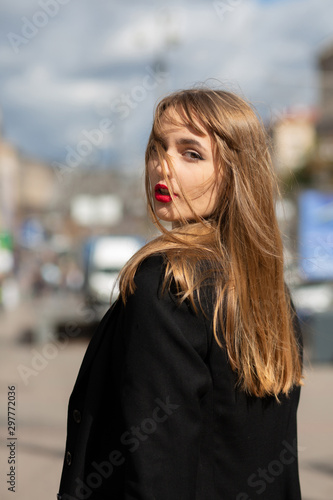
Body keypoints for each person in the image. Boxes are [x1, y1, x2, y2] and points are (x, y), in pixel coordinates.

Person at [57, 88, 303, 500]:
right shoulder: (270, 291)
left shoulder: (167, 284)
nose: (162, 166)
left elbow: (156, 471)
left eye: (190, 153)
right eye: (158, 147)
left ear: (236, 175)